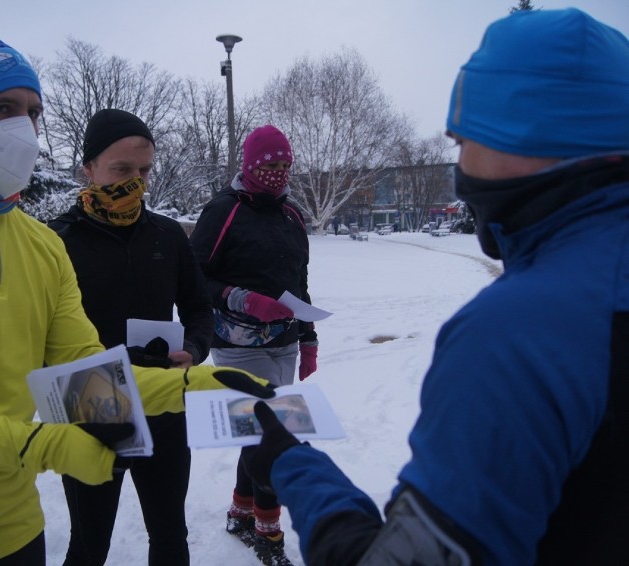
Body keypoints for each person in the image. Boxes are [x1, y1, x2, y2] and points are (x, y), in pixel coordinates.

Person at [0, 38, 273, 566]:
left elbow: (83, 376)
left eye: (33, 112)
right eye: (3, 108)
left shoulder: (40, 245)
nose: (24, 127)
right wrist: (47, 446)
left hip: (16, 528)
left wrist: (197, 381)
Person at [238, 8, 629, 565]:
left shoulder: (517, 337)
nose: (460, 166)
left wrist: (292, 465)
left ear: (520, 137)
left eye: (463, 140)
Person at [47, 108, 213, 566]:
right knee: (88, 542)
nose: (135, 182)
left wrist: (195, 350)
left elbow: (200, 309)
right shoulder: (56, 241)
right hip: (90, 402)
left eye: (144, 171)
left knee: (169, 535)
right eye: (121, 170)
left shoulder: (167, 235)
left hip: (163, 401)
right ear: (89, 169)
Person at [190, 125, 318, 565]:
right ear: (249, 165)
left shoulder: (293, 216)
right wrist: (242, 298)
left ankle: (240, 512)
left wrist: (309, 337)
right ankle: (268, 532)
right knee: (270, 434)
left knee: (259, 431)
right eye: (270, 166)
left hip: (283, 343)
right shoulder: (223, 211)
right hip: (237, 343)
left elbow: (299, 283)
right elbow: (193, 280)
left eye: (285, 166)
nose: (279, 174)